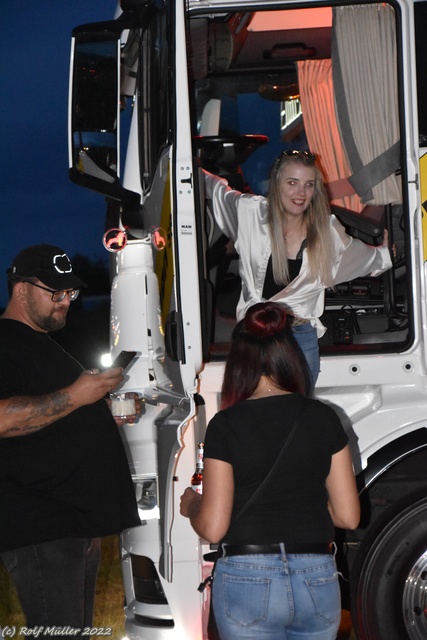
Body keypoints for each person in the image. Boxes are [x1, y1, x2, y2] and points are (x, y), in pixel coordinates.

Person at [180, 301, 360, 640]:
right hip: (316, 576)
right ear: (290, 356)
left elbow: (214, 528)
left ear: (238, 363)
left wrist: (191, 505)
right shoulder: (323, 417)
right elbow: (349, 517)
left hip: (249, 578)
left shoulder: (226, 425)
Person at [0, 244, 140, 634]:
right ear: (21, 289)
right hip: (42, 525)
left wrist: (101, 410)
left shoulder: (42, 344)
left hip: (72, 526)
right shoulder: (4, 341)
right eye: (55, 292)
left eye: (70, 293)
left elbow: (56, 416)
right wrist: (78, 395)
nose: (65, 302)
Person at [204, 149, 392, 386]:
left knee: (297, 414)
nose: (300, 193)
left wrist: (386, 254)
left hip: (299, 338)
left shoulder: (328, 233)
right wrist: (188, 167)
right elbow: (217, 190)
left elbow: (365, 260)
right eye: (292, 182)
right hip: (253, 334)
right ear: (277, 183)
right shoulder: (250, 212)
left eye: (309, 185)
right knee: (254, 412)